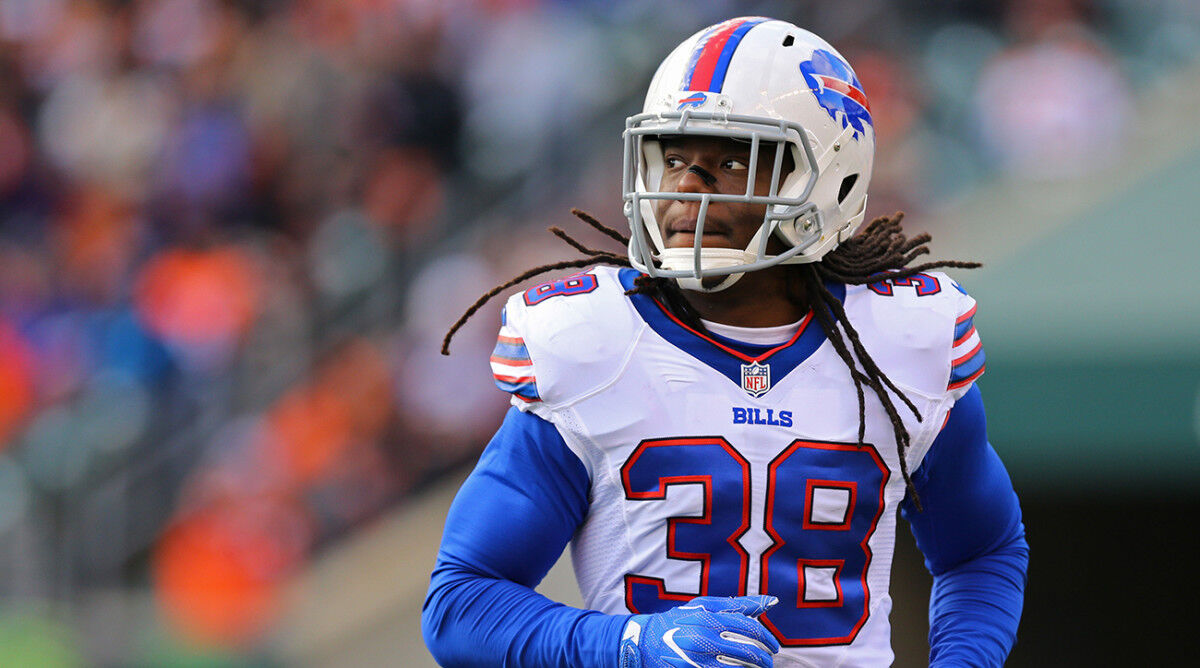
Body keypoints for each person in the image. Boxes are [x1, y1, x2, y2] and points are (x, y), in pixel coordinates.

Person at [423, 16, 1027, 667]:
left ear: (830, 179)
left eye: (731, 161)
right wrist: (627, 644)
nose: (685, 188)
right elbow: (461, 601)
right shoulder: (594, 344)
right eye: (674, 157)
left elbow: (981, 551)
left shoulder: (899, 345)